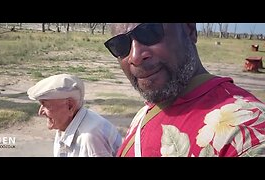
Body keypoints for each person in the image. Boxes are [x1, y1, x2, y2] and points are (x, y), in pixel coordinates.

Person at [104, 23, 265, 157]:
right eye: (120, 45)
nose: (135, 56)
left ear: (190, 29)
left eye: (149, 31)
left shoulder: (248, 134)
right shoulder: (143, 115)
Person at [27, 73, 122, 157]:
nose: (40, 112)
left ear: (70, 106)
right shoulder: (65, 124)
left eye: (46, 105)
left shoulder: (90, 137)